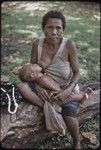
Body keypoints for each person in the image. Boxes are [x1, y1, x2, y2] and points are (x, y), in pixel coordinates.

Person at [18, 10, 91, 149]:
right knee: (22, 87)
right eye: (50, 27)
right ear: (43, 28)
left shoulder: (68, 45)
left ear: (63, 30)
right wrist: (34, 82)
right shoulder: (37, 44)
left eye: (58, 28)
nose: (54, 31)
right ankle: (48, 106)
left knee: (69, 115)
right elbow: (32, 70)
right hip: (43, 86)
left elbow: (77, 72)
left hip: (64, 88)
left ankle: (77, 141)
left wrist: (67, 90)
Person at [19, 63, 92, 105]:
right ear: (33, 75)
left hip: (57, 93)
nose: (35, 64)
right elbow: (55, 88)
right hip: (57, 98)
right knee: (72, 97)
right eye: (34, 65)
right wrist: (65, 92)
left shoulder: (41, 77)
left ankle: (80, 96)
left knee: (71, 94)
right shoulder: (43, 79)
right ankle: (83, 97)